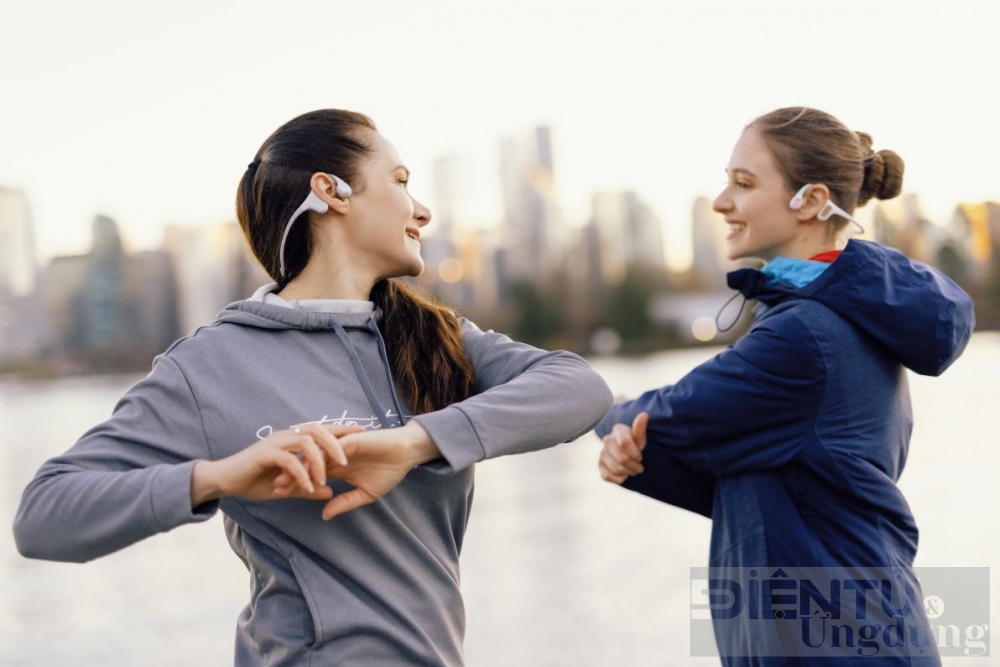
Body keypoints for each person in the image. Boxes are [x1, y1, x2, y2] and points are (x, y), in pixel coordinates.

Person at [14, 109, 613, 665]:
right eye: (401, 180)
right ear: (331, 191)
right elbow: (43, 517)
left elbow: (579, 390)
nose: (422, 209)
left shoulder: (436, 336)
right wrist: (218, 479)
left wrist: (411, 444)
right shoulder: (210, 366)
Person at [596, 107, 974, 665]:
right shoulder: (819, 317)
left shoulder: (804, 337)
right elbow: (765, 489)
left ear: (813, 200)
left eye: (743, 183)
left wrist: (612, 416)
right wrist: (633, 454)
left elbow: (674, 412)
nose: (721, 201)